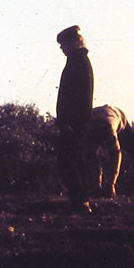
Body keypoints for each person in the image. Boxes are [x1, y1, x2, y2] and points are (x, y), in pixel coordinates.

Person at [55, 25, 94, 212]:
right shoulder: (78, 61)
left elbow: (77, 96)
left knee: (69, 161)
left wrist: (68, 122)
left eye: (63, 44)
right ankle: (81, 199)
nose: (62, 48)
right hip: (77, 121)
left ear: (72, 42)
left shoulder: (77, 62)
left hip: (74, 123)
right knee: (75, 160)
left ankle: (80, 201)